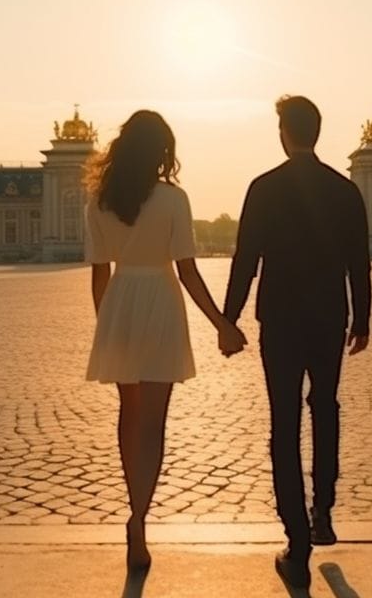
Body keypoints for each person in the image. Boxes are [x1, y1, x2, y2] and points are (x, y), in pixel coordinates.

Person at [83, 110, 248, 573]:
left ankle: (134, 512)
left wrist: (106, 324)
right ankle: (139, 516)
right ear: (162, 153)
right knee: (154, 422)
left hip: (119, 302)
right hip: (159, 298)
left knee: (127, 415)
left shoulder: (98, 201)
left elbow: (99, 272)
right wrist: (221, 323)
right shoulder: (174, 199)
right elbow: (187, 270)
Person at [224, 96, 371, 589]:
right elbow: (359, 263)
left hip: (281, 321)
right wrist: (363, 321)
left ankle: (297, 542)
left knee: (283, 424)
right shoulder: (346, 190)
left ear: (284, 133)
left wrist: (230, 318)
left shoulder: (263, 188)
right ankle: (323, 511)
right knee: (325, 408)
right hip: (330, 318)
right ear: (317, 132)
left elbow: (246, 257)